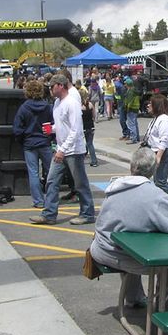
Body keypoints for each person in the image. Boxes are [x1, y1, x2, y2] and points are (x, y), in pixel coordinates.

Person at [90, 147, 168, 310]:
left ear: (131, 167)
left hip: (101, 249)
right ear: (153, 171)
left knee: (133, 245)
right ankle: (165, 303)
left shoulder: (115, 187)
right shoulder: (155, 195)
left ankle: (134, 297)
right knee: (166, 261)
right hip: (122, 255)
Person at [29, 74, 95, 225]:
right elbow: (62, 126)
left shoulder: (71, 103)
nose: (50, 90)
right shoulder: (58, 103)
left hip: (73, 150)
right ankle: (49, 214)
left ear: (60, 85)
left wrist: (62, 149)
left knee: (80, 183)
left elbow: (76, 130)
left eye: (52, 87)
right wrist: (51, 130)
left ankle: (87, 214)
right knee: (51, 181)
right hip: (62, 149)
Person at [13, 79, 54, 208]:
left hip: (30, 143)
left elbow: (17, 129)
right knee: (51, 172)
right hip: (45, 142)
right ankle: (52, 198)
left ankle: (38, 201)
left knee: (33, 173)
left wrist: (22, 140)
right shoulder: (47, 107)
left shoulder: (24, 108)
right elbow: (53, 124)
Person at [145, 94, 168, 205]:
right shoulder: (156, 118)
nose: (148, 105)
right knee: (157, 181)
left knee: (160, 182)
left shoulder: (164, 120)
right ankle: (162, 202)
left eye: (151, 103)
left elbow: (164, 140)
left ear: (157, 105)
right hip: (156, 151)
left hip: (165, 153)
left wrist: (158, 157)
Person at [80, 89, 98, 167]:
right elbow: (94, 115)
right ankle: (93, 160)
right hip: (91, 126)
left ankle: (93, 160)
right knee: (89, 143)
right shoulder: (90, 104)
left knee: (86, 143)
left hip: (83, 127)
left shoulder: (79, 106)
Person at [124, 77, 140, 144]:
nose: (125, 85)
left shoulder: (130, 91)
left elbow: (129, 101)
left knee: (131, 124)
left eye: (125, 84)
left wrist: (127, 108)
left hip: (131, 109)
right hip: (136, 108)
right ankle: (137, 137)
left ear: (128, 84)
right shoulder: (135, 90)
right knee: (135, 123)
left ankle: (133, 139)